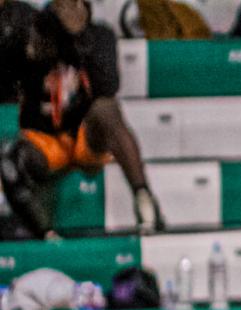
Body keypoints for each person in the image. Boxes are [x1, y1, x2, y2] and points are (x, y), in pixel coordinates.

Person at [0, 0, 161, 239]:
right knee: (9, 158)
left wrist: (80, 39)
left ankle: (144, 199)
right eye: (63, 6)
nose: (69, 11)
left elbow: (108, 86)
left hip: (84, 135)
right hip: (46, 139)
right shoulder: (35, 34)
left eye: (76, 5)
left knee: (106, 109)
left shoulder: (100, 36)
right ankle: (45, 234)